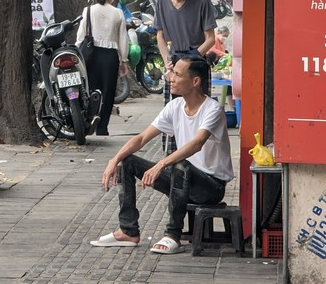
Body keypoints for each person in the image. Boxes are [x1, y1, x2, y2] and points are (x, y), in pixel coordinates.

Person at [90, 56, 234, 254]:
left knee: (180, 164)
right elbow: (141, 138)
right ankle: (128, 230)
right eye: (172, 73)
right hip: (180, 179)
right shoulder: (174, 107)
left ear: (195, 81)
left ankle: (172, 234)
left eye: (177, 74)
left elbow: (197, 143)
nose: (170, 78)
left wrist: (161, 164)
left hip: (210, 186)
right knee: (127, 162)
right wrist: (113, 160)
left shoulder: (213, 109)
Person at [153, 0, 216, 152]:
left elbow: (210, 39)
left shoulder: (202, 3)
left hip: (195, 63)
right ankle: (171, 157)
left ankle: (197, 155)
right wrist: (167, 64)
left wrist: (191, 58)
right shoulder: (161, 1)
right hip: (174, 65)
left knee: (198, 111)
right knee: (171, 113)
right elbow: (160, 35)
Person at [76, 0, 130, 136]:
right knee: (108, 92)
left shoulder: (88, 10)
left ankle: (88, 121)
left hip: (90, 54)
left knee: (90, 90)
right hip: (110, 57)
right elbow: (123, 39)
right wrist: (123, 60)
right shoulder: (118, 13)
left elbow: (80, 36)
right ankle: (102, 127)